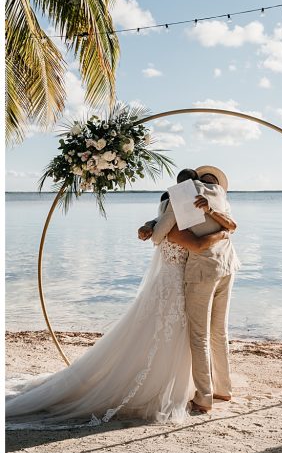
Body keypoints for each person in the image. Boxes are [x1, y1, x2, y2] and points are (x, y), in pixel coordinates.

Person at [5, 179, 228, 426]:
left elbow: (164, 231)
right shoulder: (175, 232)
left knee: (171, 335)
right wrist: (222, 234)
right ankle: (160, 387)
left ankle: (182, 385)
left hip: (174, 285)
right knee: (166, 335)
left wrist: (152, 224)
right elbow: (197, 245)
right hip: (171, 286)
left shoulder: (167, 226)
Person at [143, 165, 239, 412]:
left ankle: (205, 396)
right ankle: (223, 389)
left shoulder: (193, 200)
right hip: (227, 266)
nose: (205, 183)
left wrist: (153, 227)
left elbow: (163, 234)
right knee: (218, 332)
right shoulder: (220, 203)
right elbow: (230, 227)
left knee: (200, 337)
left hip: (203, 272)